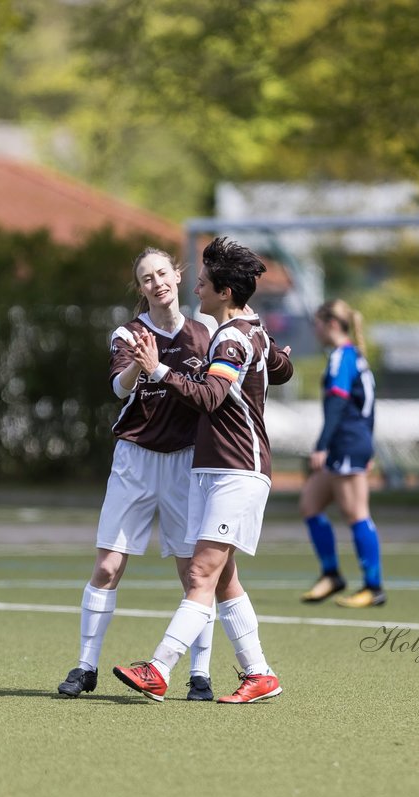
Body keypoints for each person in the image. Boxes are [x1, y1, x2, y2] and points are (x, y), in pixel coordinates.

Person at [112, 236, 293, 704]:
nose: (197, 287)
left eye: (205, 282)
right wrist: (278, 356)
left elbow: (211, 397)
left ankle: (158, 667)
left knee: (200, 574)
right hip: (214, 469)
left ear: (225, 292)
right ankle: (259, 673)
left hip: (238, 468)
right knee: (223, 577)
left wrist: (156, 370)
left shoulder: (232, 337)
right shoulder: (247, 328)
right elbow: (282, 368)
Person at [55, 247, 217, 701]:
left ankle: (199, 674)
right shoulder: (128, 333)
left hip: (186, 463)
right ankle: (86, 666)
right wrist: (138, 369)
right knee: (107, 567)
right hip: (136, 460)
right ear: (140, 288)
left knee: (196, 574)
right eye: (147, 278)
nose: (157, 283)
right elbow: (117, 386)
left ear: (178, 276)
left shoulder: (206, 332)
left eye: (162, 273)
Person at [299, 299, 385, 607]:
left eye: (318, 323)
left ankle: (373, 587)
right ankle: (331, 575)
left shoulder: (342, 357)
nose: (315, 329)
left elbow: (337, 404)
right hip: (349, 442)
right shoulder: (352, 356)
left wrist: (321, 445)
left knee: (357, 513)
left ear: (331, 324)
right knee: (310, 502)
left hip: (346, 442)